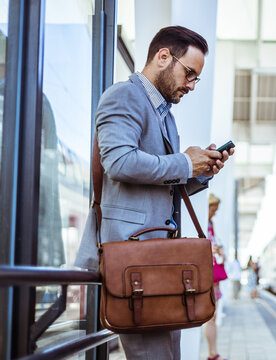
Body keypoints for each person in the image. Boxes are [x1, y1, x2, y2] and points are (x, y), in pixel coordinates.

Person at [74, 26, 233, 360]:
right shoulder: (123, 96)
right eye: (189, 73)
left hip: (158, 261)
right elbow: (119, 162)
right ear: (163, 57)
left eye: (196, 79)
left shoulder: (165, 116)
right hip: (134, 262)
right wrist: (185, 164)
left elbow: (160, 181)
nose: (191, 85)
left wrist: (200, 171)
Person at [205, 193, 227, 360]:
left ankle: (214, 352)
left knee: (213, 316)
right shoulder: (202, 224)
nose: (215, 212)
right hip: (208, 274)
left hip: (214, 275)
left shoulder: (210, 224)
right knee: (211, 316)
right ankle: (212, 354)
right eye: (213, 209)